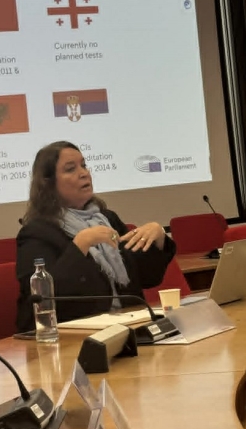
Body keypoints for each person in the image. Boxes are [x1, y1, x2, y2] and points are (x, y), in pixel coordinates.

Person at [16, 140, 176, 332]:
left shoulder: (106, 219)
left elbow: (147, 278)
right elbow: (43, 297)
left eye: (84, 165)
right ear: (48, 183)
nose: (84, 173)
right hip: (71, 333)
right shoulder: (37, 233)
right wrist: (80, 246)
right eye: (70, 169)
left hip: (128, 325)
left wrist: (158, 239)